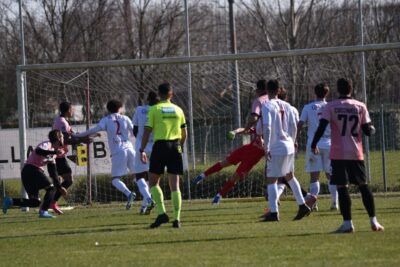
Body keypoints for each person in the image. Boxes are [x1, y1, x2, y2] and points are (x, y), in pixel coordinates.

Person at [311, 78, 384, 233]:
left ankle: (348, 223)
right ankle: (374, 221)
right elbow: (367, 130)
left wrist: (313, 143)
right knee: (363, 186)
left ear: (338, 89)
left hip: (338, 153)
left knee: (342, 187)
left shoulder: (331, 106)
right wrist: (372, 129)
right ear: (351, 89)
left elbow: (322, 126)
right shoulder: (360, 106)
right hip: (356, 152)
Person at [261, 79, 311, 222]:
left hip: (276, 147)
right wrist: (294, 141)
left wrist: (267, 147)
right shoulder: (288, 106)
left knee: (271, 180)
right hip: (288, 144)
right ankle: (302, 205)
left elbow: (268, 127)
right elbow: (294, 126)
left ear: (267, 90)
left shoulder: (267, 106)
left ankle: (274, 213)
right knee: (289, 176)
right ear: (279, 90)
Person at [139, 82, 187, 228]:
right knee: (175, 185)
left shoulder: (154, 109)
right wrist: (181, 147)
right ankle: (177, 219)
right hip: (175, 146)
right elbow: (184, 133)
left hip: (160, 146)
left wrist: (141, 149)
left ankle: (162, 214)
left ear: (159, 95)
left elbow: (147, 131)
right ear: (171, 94)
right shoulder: (178, 110)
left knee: (153, 182)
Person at [74, 100, 137, 210]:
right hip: (130, 149)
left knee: (115, 179)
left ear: (108, 109)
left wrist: (78, 135)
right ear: (120, 108)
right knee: (138, 176)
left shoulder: (106, 120)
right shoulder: (125, 118)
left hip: (119, 151)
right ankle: (148, 198)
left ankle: (129, 194)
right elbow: (135, 132)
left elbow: (93, 130)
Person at [2, 130, 67, 218]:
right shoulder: (47, 144)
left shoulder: (54, 154)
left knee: (35, 202)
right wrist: (54, 152)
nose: (63, 138)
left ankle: (10, 201)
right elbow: (38, 151)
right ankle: (43, 211)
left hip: (29, 173)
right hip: (31, 169)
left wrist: (59, 187)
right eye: (62, 136)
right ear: (58, 138)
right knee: (51, 189)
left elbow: (53, 172)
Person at [192, 126, 265, 205]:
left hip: (251, 160)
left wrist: (263, 144)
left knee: (235, 177)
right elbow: (245, 129)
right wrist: (234, 131)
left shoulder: (274, 137)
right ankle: (202, 176)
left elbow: (268, 152)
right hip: (245, 151)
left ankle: (218, 196)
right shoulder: (261, 127)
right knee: (224, 163)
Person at [298, 83, 338, 211]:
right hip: (329, 144)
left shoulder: (308, 107)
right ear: (327, 93)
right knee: (330, 174)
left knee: (314, 176)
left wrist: (295, 138)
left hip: (313, 144)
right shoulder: (331, 107)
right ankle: (334, 202)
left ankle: (313, 203)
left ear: (315, 93)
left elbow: (300, 124)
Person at [132, 91, 159, 214]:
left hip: (141, 146)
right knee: (151, 178)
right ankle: (144, 206)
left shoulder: (139, 109)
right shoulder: (160, 111)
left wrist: (140, 140)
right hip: (156, 147)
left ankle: (148, 200)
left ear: (148, 99)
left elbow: (135, 129)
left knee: (139, 176)